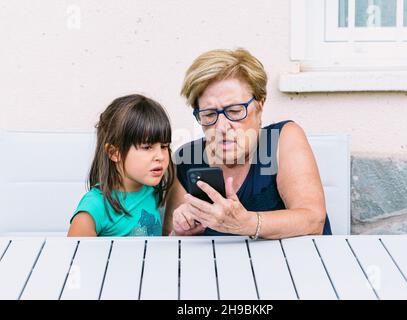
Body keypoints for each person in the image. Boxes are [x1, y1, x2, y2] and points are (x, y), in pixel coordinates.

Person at [164, 48, 331, 239]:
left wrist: (246, 224)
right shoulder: (187, 160)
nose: (222, 127)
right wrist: (179, 231)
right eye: (209, 115)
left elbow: (313, 220)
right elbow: (171, 244)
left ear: (260, 107)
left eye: (235, 111)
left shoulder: (282, 139)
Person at [68, 94, 174, 237]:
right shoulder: (93, 209)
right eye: (147, 147)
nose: (160, 156)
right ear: (114, 153)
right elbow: (76, 258)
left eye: (164, 146)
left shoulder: (152, 189)